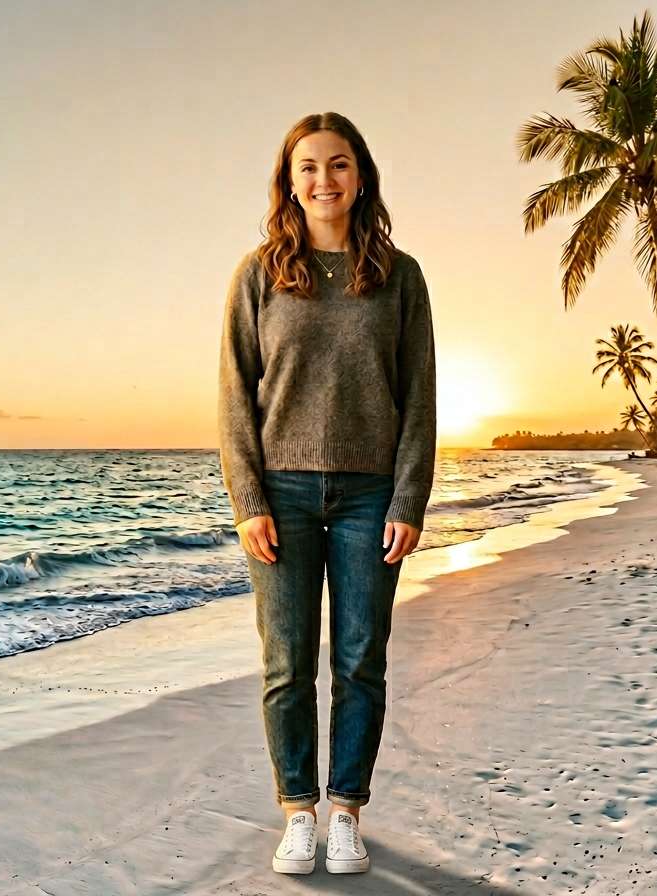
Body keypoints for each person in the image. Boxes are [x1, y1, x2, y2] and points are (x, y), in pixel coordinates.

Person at [218, 112, 437, 875]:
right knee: (285, 663)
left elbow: (419, 397)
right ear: (289, 182)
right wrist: (248, 500)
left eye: (338, 165)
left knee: (359, 658)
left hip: (370, 496)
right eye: (307, 167)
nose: (323, 181)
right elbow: (234, 396)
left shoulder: (399, 276)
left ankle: (346, 811)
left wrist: (408, 500)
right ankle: (297, 814)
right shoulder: (259, 274)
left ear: (361, 175)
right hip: (279, 491)